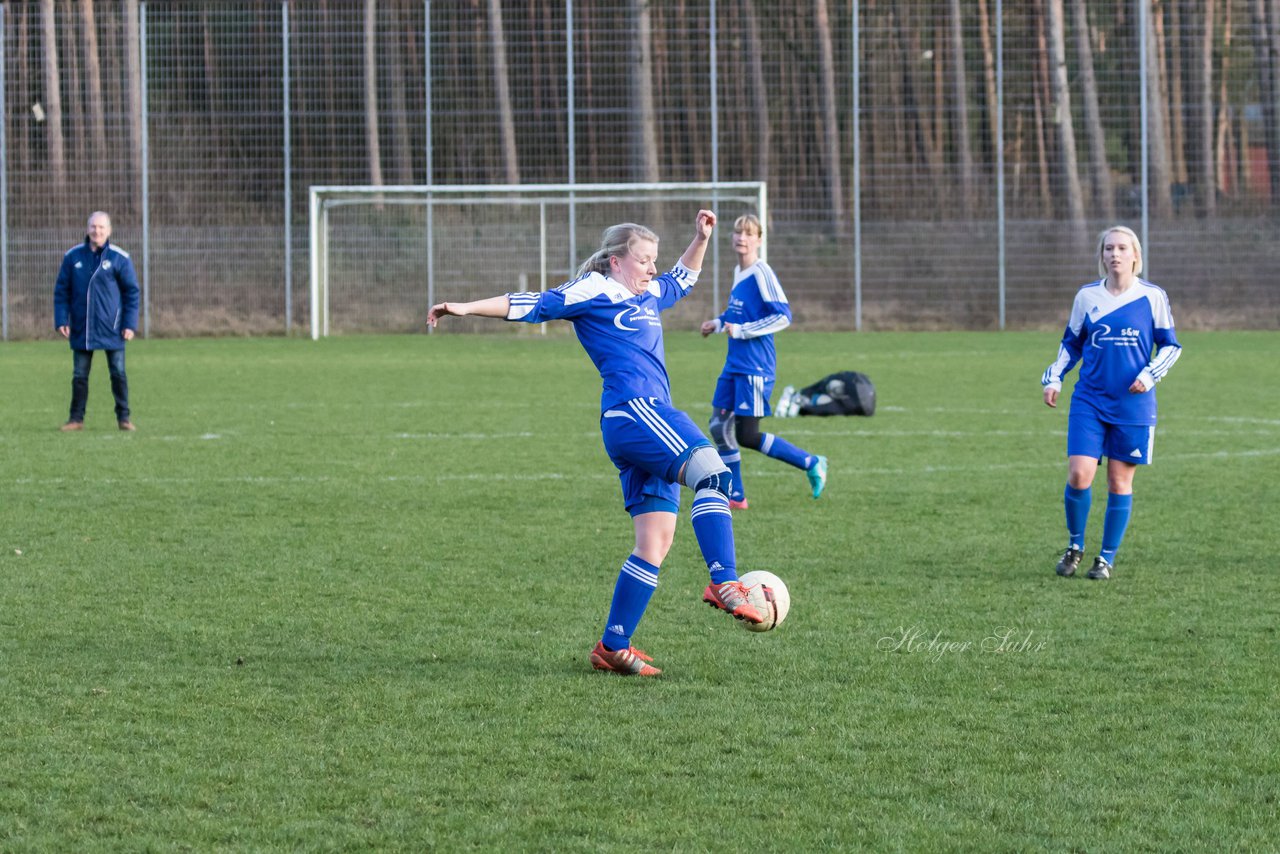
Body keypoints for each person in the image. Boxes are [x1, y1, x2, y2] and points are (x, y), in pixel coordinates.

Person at [428, 210, 764, 676]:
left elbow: (682, 279)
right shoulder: (594, 290)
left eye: (654, 261)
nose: (652, 269)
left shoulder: (647, 295)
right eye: (644, 260)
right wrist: (464, 307)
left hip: (634, 424)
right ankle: (726, 582)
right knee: (715, 474)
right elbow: (532, 303)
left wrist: (700, 238)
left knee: (655, 543)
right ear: (615, 261)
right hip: (637, 410)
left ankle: (612, 645)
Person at [1041, 225, 1181, 580]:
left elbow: (1170, 345)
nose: (1115, 254)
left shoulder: (1152, 297)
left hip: (1133, 405)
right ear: (1101, 256)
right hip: (1090, 398)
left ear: (1135, 255)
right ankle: (1075, 546)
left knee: (1119, 482)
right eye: (1108, 249)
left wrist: (1149, 376)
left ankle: (1105, 558)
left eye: (1122, 248)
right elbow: (1071, 343)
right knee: (1079, 474)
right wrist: (1055, 377)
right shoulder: (1087, 296)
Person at [700, 214, 826, 509]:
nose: (741, 238)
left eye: (748, 233)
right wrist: (717, 324)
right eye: (737, 232)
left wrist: (741, 331)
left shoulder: (761, 271)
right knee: (719, 426)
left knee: (747, 435)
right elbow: (738, 314)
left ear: (758, 239)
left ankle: (811, 462)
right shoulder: (739, 271)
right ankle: (737, 495)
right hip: (735, 364)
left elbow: (783, 316)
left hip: (756, 366)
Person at [53, 211, 141, 431]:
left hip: (113, 327)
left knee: (118, 373)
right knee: (79, 374)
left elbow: (132, 292)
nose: (97, 231)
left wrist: (129, 324)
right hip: (83, 327)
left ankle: (124, 418)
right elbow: (61, 292)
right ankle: (76, 419)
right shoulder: (72, 257)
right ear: (87, 229)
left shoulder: (120, 257)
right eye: (93, 227)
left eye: (101, 227)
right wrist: (62, 319)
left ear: (109, 231)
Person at [775, 370, 876, 418]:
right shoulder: (836, 389)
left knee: (823, 400)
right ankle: (799, 402)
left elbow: (830, 408)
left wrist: (804, 408)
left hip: (860, 401)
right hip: (863, 401)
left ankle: (799, 403)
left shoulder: (836, 393)